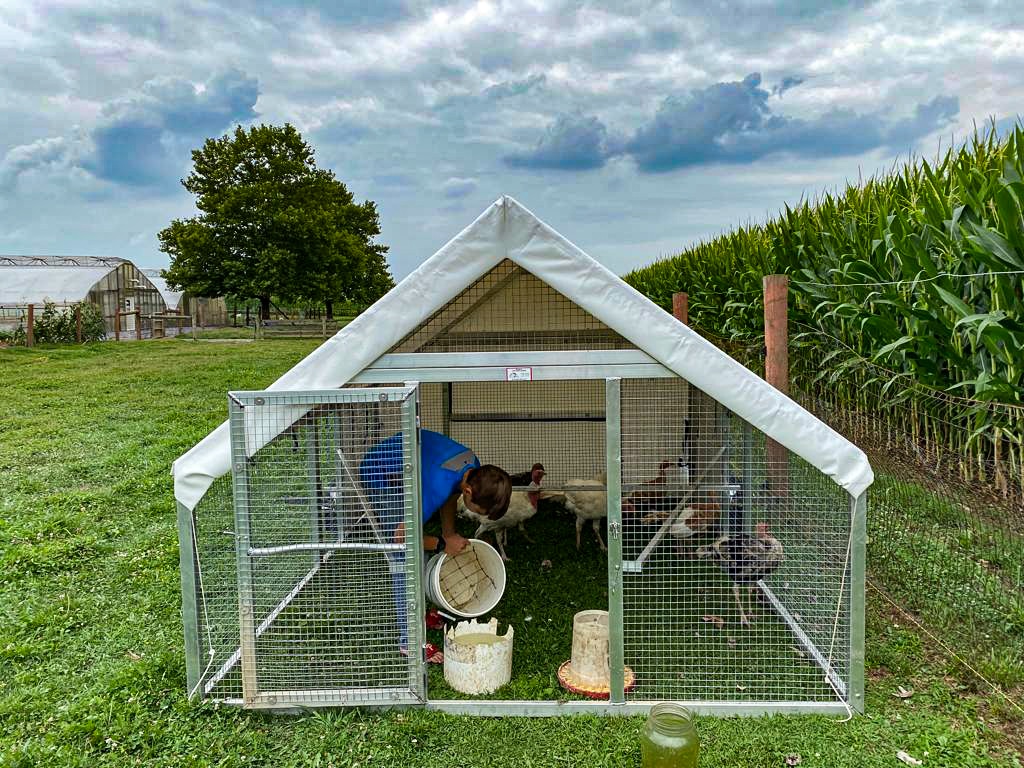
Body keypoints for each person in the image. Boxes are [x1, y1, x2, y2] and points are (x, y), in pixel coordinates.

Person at [359, 429, 511, 662]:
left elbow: (451, 496)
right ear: (469, 491)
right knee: (404, 558)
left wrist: (449, 534)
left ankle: (419, 613)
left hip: (407, 469)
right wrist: (441, 543)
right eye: (479, 512)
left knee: (418, 539)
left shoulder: (473, 468)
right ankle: (409, 641)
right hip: (381, 474)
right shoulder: (437, 486)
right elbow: (401, 538)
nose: (478, 516)